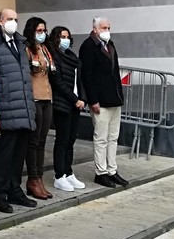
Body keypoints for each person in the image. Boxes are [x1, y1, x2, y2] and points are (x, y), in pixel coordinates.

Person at [0, 8, 37, 213]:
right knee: (3, 154)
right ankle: (0, 194)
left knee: (18, 154)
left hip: (22, 107)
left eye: (15, 19)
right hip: (6, 108)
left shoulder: (20, 43)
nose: (13, 23)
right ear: (0, 21)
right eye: (9, 19)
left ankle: (15, 190)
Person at [79, 16, 128, 189]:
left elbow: (115, 72)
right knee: (101, 138)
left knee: (113, 138)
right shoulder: (88, 46)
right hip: (100, 100)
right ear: (95, 29)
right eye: (104, 27)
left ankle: (112, 170)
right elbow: (88, 76)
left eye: (108, 27)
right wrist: (93, 100)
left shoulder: (110, 45)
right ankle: (101, 172)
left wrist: (119, 96)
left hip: (114, 99)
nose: (107, 30)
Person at [49, 25, 86, 192]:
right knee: (62, 140)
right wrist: (74, 99)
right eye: (62, 36)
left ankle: (68, 172)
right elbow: (58, 82)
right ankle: (59, 176)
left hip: (76, 104)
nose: (65, 39)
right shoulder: (54, 57)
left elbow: (80, 80)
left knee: (71, 139)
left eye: (67, 36)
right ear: (55, 38)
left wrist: (82, 99)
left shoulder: (71, 56)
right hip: (63, 103)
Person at [23, 17, 54, 201]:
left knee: (42, 141)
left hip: (47, 97)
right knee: (33, 142)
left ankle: (39, 178)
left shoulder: (44, 49)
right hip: (34, 97)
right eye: (39, 30)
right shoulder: (27, 49)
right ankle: (32, 179)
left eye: (44, 30)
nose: (42, 34)